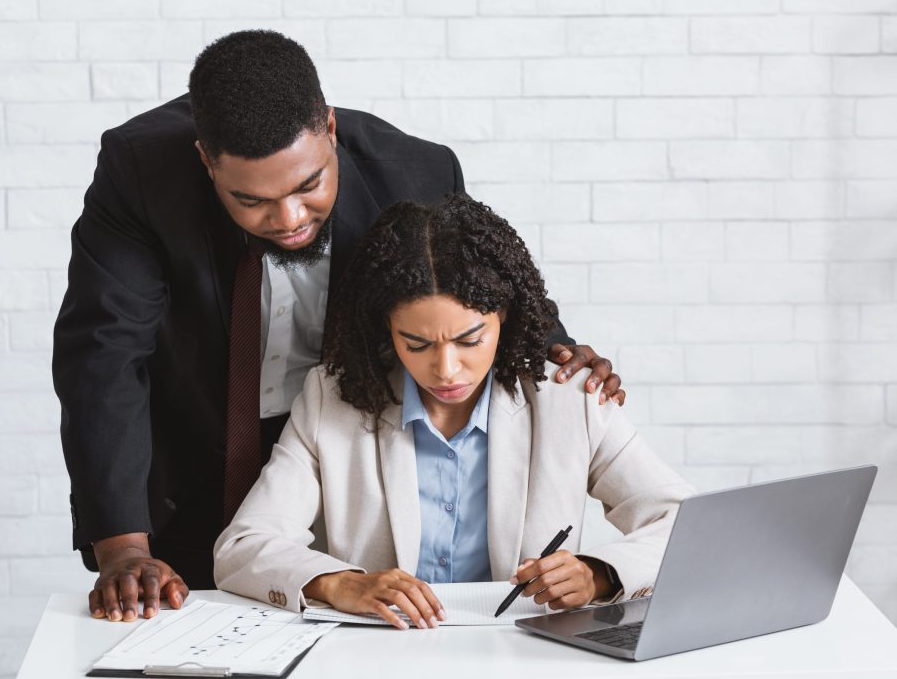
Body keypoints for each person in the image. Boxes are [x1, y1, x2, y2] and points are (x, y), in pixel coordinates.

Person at [52, 30, 626, 623]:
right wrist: (123, 547)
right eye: (252, 201)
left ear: (329, 128)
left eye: (308, 185)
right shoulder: (141, 171)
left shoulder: (414, 173)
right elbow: (103, 352)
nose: (289, 218)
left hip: (344, 451)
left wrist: (556, 349)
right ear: (206, 162)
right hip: (195, 465)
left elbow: (475, 280)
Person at [214, 195, 694, 629]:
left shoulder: (570, 401)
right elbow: (243, 546)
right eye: (416, 343)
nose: (446, 370)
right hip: (381, 657)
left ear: (502, 316)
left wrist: (600, 574)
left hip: (521, 656)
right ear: (387, 330)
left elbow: (682, 522)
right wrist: (339, 583)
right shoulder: (330, 400)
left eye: (470, 340)